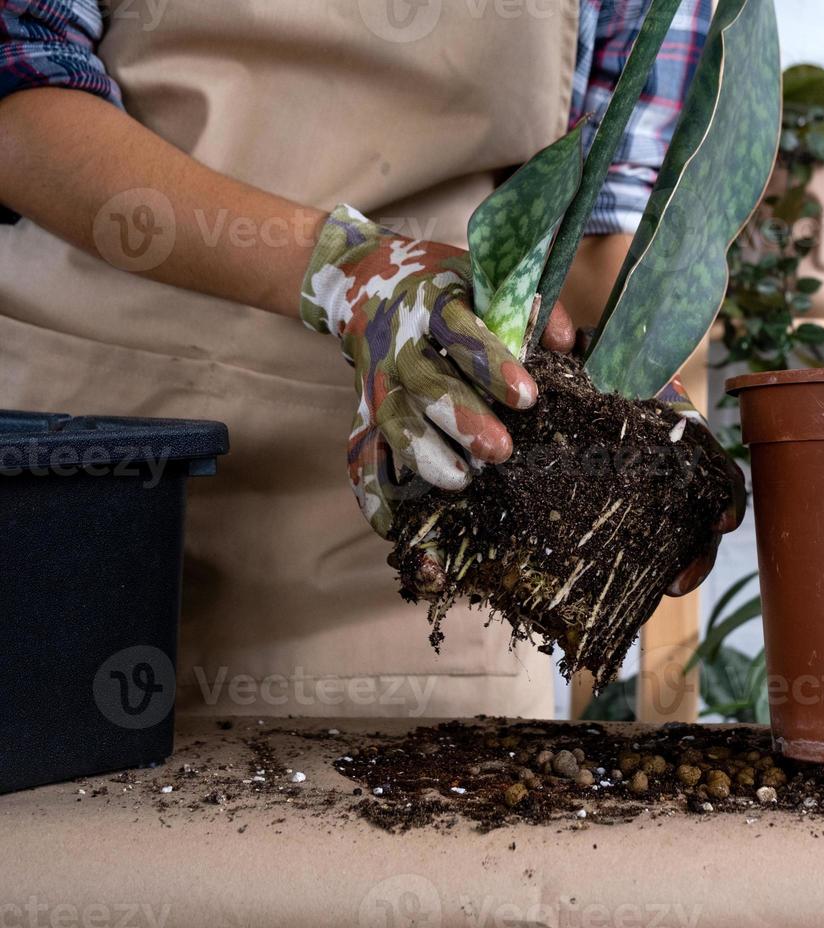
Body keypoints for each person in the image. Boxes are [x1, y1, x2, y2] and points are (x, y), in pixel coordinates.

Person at [0, 0, 738, 729]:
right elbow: (19, 89)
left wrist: (624, 390)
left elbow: (599, 217)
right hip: (93, 478)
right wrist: (346, 270)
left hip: (423, 482)